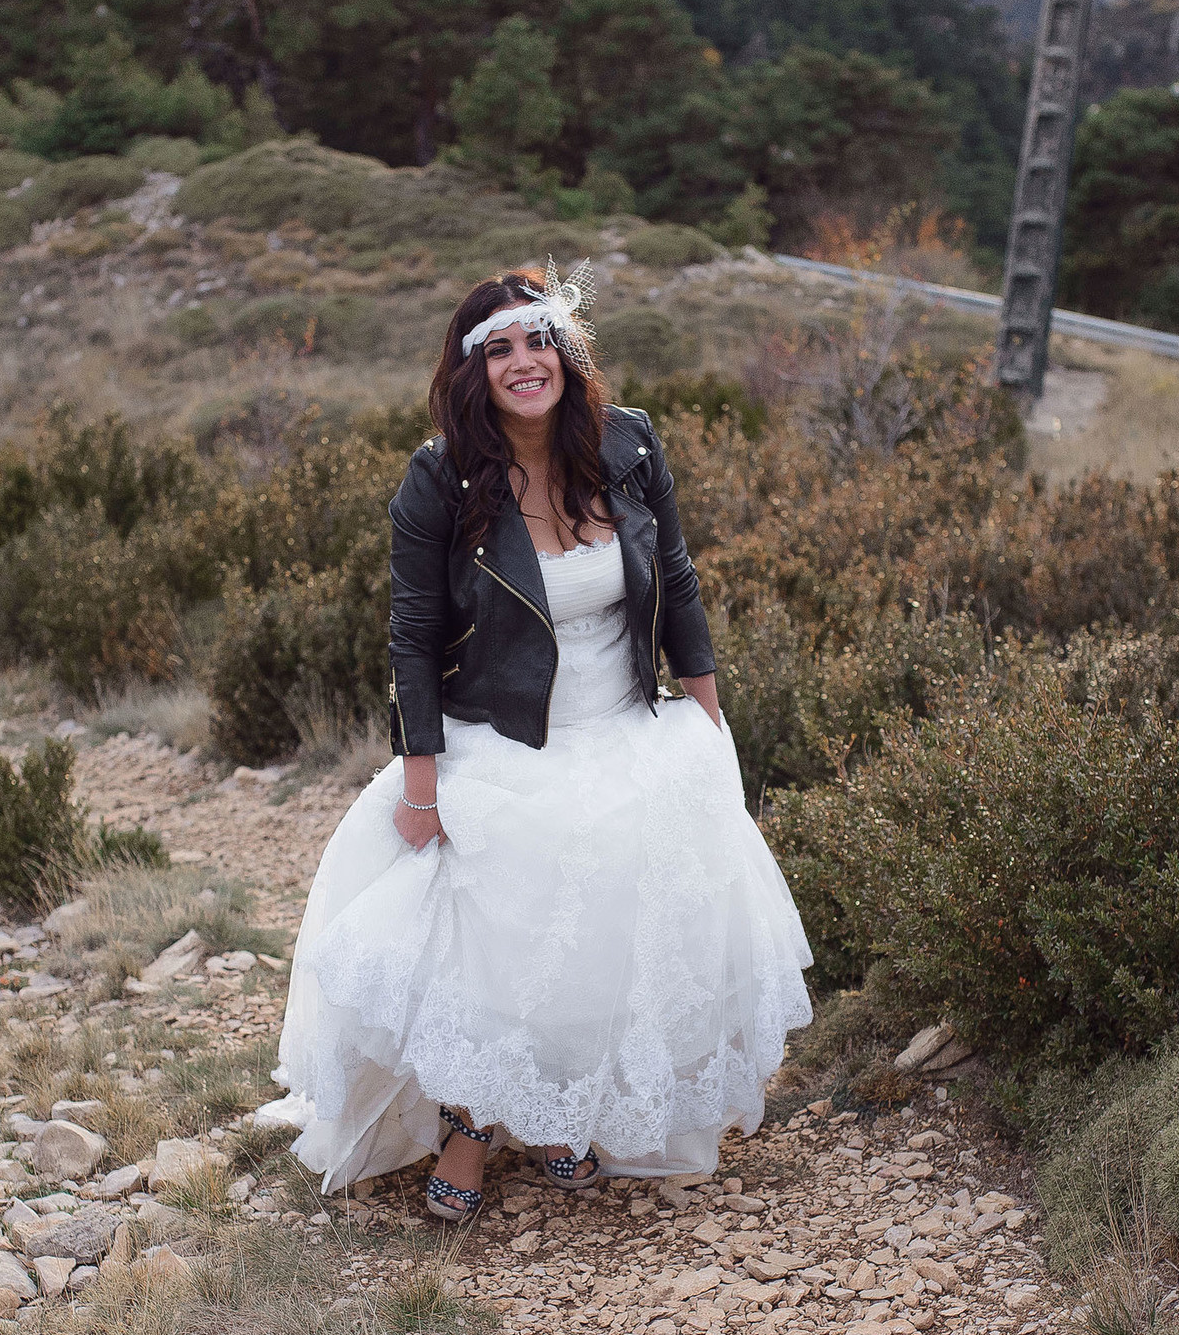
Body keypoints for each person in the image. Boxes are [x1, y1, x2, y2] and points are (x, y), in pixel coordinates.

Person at [262, 263, 814, 1221]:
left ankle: (564, 1113)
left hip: (626, 727)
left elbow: (677, 580)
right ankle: (474, 1126)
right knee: (498, 929)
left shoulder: (627, 443)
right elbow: (412, 636)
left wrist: (709, 722)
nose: (526, 361)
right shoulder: (441, 478)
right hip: (501, 738)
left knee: (614, 929)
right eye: (500, 348)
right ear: (471, 370)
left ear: (567, 351)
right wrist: (422, 785)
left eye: (540, 339)